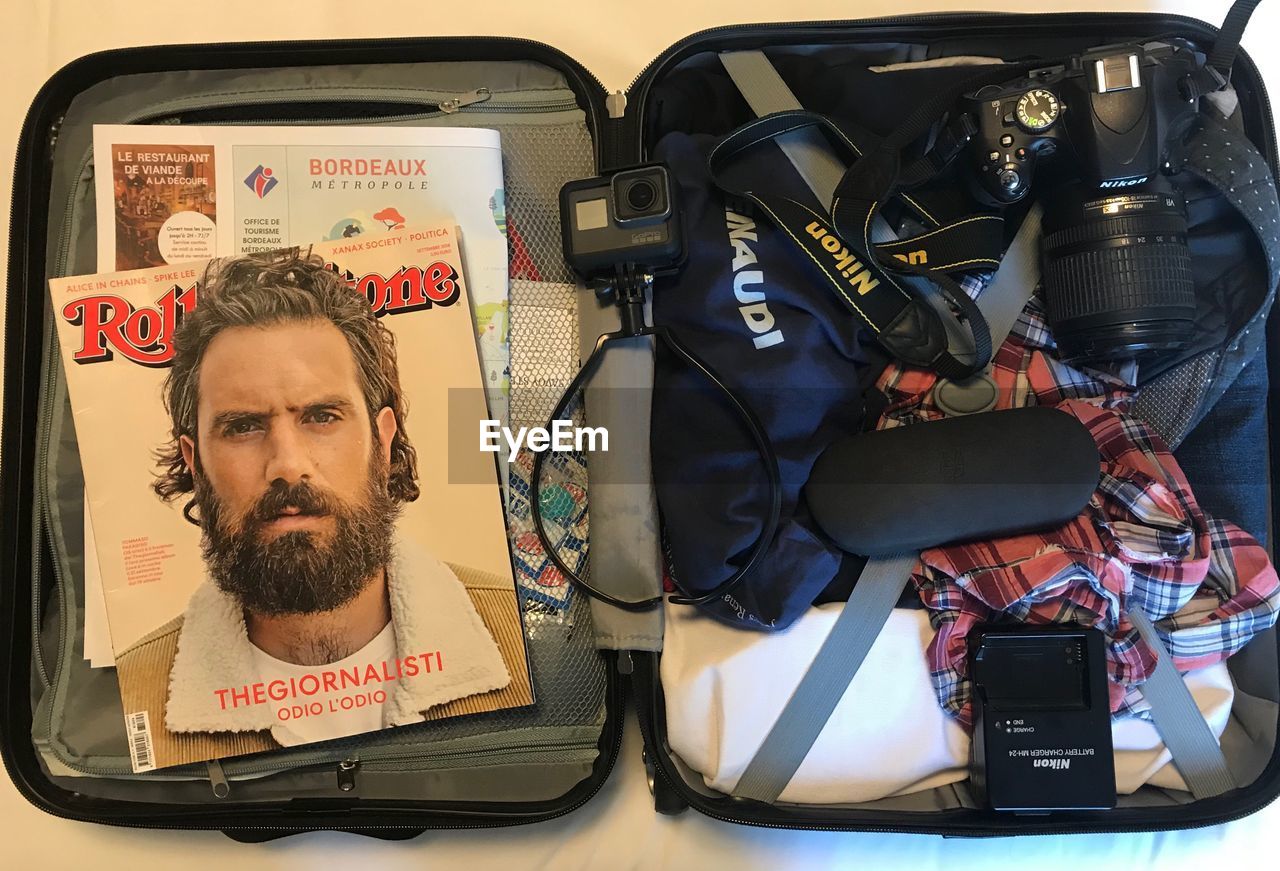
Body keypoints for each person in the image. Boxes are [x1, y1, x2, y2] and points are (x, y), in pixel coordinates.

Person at [116, 249, 524, 764]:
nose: (287, 464)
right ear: (194, 463)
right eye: (243, 426)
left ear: (383, 443)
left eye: (322, 416)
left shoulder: (520, 637)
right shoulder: (135, 699)